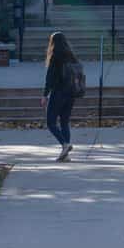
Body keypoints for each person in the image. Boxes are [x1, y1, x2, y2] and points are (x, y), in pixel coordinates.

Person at [41, 31, 83, 161]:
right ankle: (66, 155)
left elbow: (50, 78)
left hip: (58, 93)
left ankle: (65, 144)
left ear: (53, 43)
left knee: (51, 122)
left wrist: (45, 95)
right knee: (64, 122)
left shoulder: (55, 57)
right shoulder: (72, 56)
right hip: (71, 93)